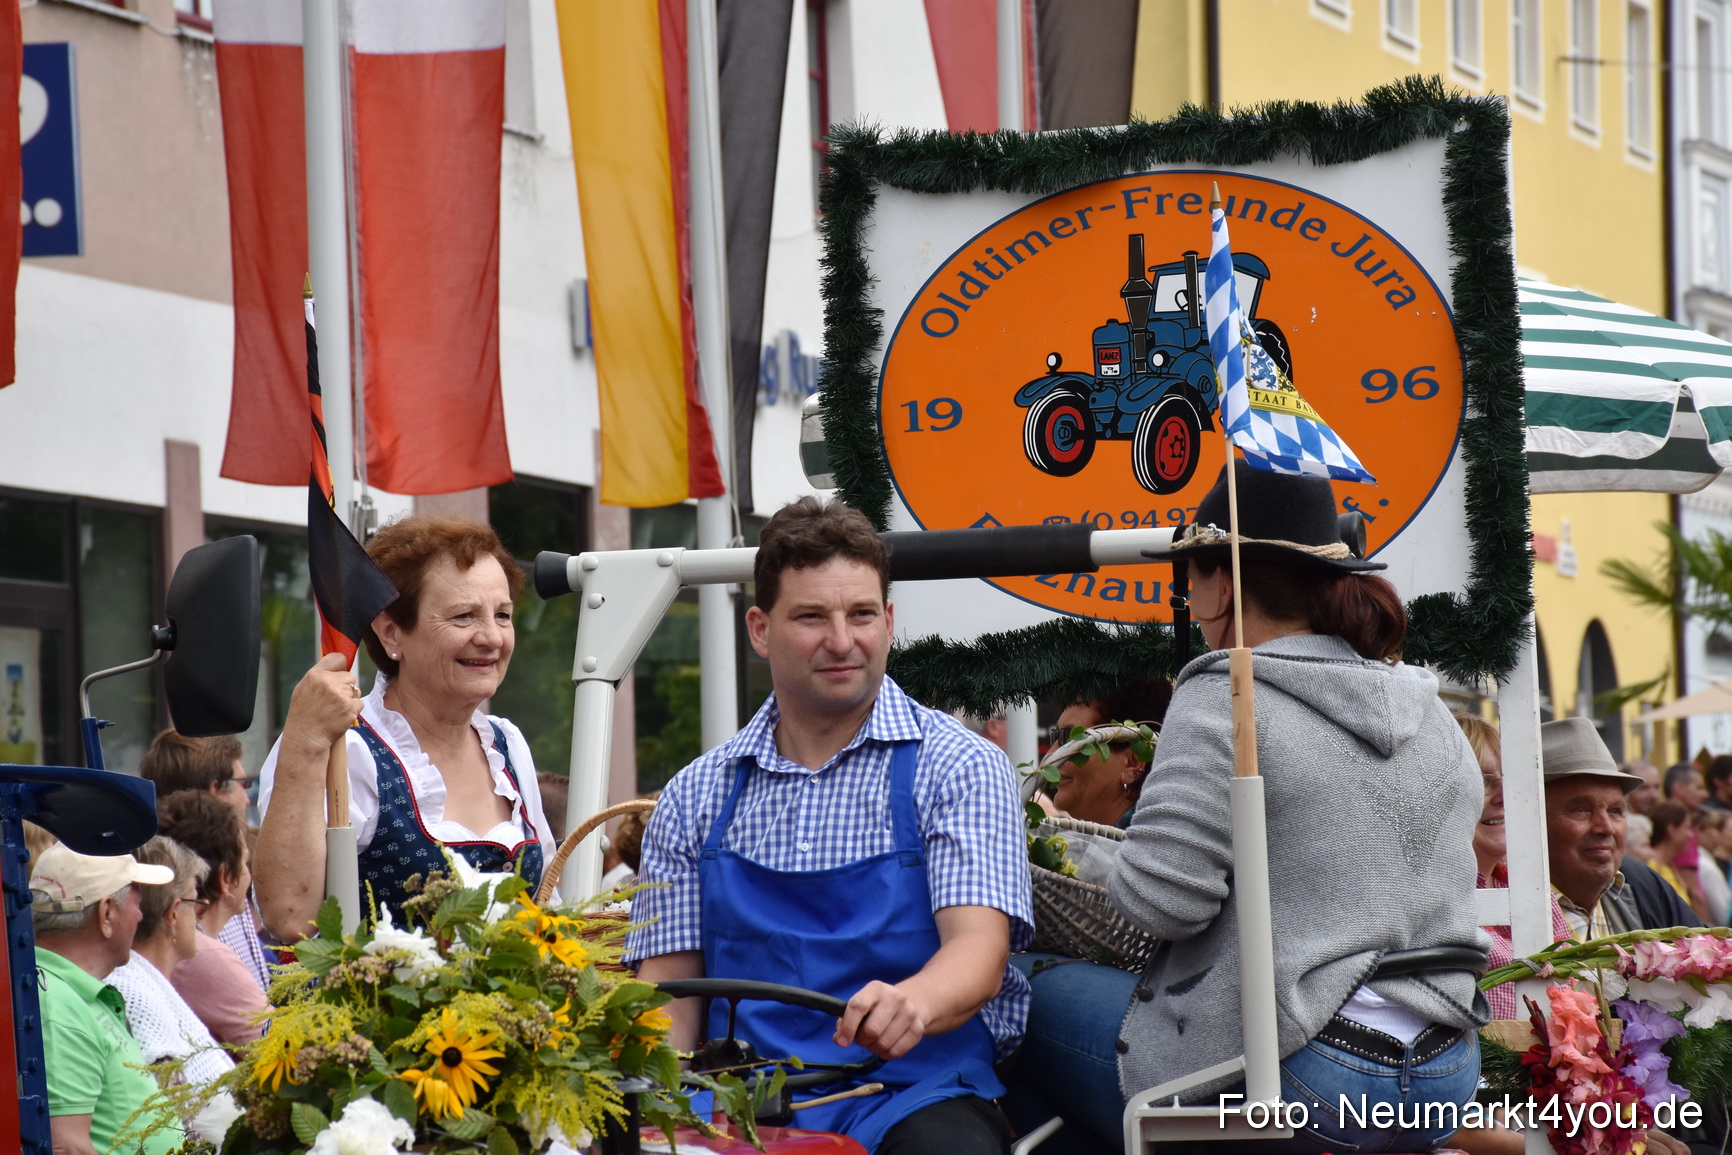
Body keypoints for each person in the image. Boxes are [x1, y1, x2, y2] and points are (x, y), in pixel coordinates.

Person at [1010, 465, 1488, 1155]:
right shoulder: (1430, 709)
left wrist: (1085, 857)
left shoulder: (1225, 691)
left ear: (1223, 584)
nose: (1187, 595)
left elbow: (1162, 904)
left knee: (1008, 994)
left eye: (1189, 577)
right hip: (1446, 1073)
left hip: (1301, 1073)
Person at [627, 497, 1031, 1155]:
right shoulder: (694, 795)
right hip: (736, 1104)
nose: (842, 641)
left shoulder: (958, 766)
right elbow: (668, 994)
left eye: (861, 614)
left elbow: (979, 952)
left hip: (913, 1089)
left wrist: (914, 1002)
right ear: (760, 629)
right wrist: (643, 1098)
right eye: (812, 616)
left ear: (889, 621)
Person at [256, 515, 557, 940]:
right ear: (392, 633)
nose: (492, 637)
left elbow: (549, 900)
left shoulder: (507, 743)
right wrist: (306, 741)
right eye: (464, 616)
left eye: (503, 615)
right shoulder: (346, 748)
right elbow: (289, 916)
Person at [31, 843, 183, 1155]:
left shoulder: (70, 993)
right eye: (137, 903)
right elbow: (66, 1146)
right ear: (107, 913)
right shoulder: (56, 1004)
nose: (141, 916)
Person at [107, 836, 243, 1144]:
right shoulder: (135, 995)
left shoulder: (139, 983)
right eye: (195, 902)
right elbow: (181, 1126)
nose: (198, 918)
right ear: (173, 913)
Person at [139, 728, 275, 992]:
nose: (247, 799)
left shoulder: (151, 873)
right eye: (243, 784)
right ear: (216, 789)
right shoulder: (205, 894)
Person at [1455, 715, 1570, 1021]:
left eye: (1511, 779)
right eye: (1483, 781)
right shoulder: (1438, 895)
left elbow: (1574, 988)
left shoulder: (1535, 892)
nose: (1505, 796)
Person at [1543, 718, 1701, 939]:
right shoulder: (1505, 908)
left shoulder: (1641, 884)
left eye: (1615, 811)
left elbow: (1709, 952)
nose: (1606, 828)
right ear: (1533, 821)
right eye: (1580, 810)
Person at [157, 791, 270, 1047]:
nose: (248, 875)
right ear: (225, 877)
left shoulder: (172, 938)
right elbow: (282, 1047)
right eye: (244, 863)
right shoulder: (206, 956)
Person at [1042, 679, 1171, 828]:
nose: (1051, 755)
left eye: (1070, 738)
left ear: (1131, 763)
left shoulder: (1159, 840)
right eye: (1055, 737)